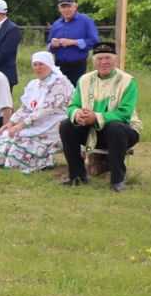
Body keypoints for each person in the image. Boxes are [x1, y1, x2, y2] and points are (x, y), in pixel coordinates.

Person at [58, 41, 140, 190]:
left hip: (124, 132)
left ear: (115, 59)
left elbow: (125, 114)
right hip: (92, 131)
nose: (104, 62)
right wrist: (77, 115)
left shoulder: (128, 81)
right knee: (66, 125)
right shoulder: (84, 80)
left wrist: (96, 117)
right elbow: (73, 105)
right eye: (99, 59)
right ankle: (76, 176)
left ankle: (117, 181)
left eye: (108, 58)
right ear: (93, 61)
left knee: (114, 127)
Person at [0, 50, 73, 173]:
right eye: (35, 65)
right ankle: (2, 162)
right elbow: (25, 108)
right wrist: (11, 123)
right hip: (35, 119)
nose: (38, 68)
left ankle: (21, 164)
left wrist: (22, 125)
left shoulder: (59, 82)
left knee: (22, 135)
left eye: (41, 64)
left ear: (49, 65)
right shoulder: (34, 84)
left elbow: (46, 109)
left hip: (56, 120)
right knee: (8, 133)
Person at [46, 0, 99, 84]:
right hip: (59, 66)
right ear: (59, 9)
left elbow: (95, 42)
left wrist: (74, 42)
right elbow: (49, 46)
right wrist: (52, 45)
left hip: (78, 67)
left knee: (76, 95)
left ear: (75, 6)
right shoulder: (56, 24)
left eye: (69, 6)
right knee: (59, 95)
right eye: (63, 7)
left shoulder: (85, 21)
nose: (66, 10)